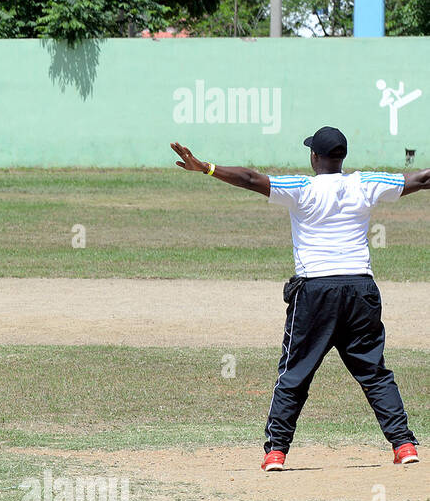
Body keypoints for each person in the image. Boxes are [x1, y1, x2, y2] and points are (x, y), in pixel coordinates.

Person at [172, 130, 421, 470]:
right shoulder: (366, 184)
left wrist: (207, 168)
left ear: (314, 158)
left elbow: (249, 177)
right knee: (374, 372)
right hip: (361, 290)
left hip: (315, 293)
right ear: (341, 157)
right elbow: (421, 178)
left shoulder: (301, 189)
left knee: (295, 373)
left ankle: (276, 451)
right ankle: (404, 445)